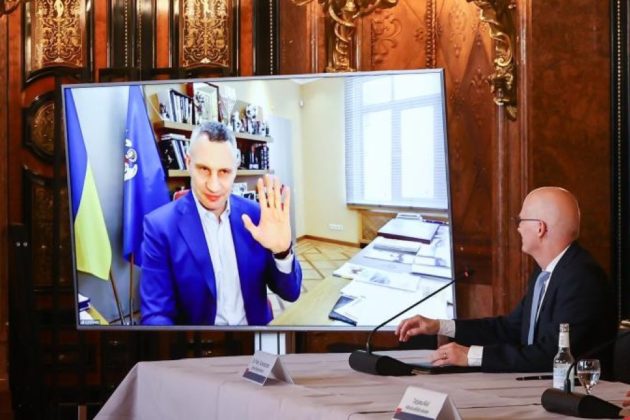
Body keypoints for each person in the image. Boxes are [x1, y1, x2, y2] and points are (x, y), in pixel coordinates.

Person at [396, 187, 616, 372]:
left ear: (540, 228)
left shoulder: (582, 278)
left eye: (521, 220)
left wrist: (471, 355)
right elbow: (509, 328)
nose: (518, 228)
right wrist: (439, 326)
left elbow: (553, 354)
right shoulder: (546, 273)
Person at [140, 121, 302, 325]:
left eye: (224, 171)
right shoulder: (159, 227)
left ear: (235, 169)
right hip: (199, 342)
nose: (214, 186)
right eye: (204, 169)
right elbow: (156, 315)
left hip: (256, 337)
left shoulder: (256, 215)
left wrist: (282, 252)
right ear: (188, 163)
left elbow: (291, 293)